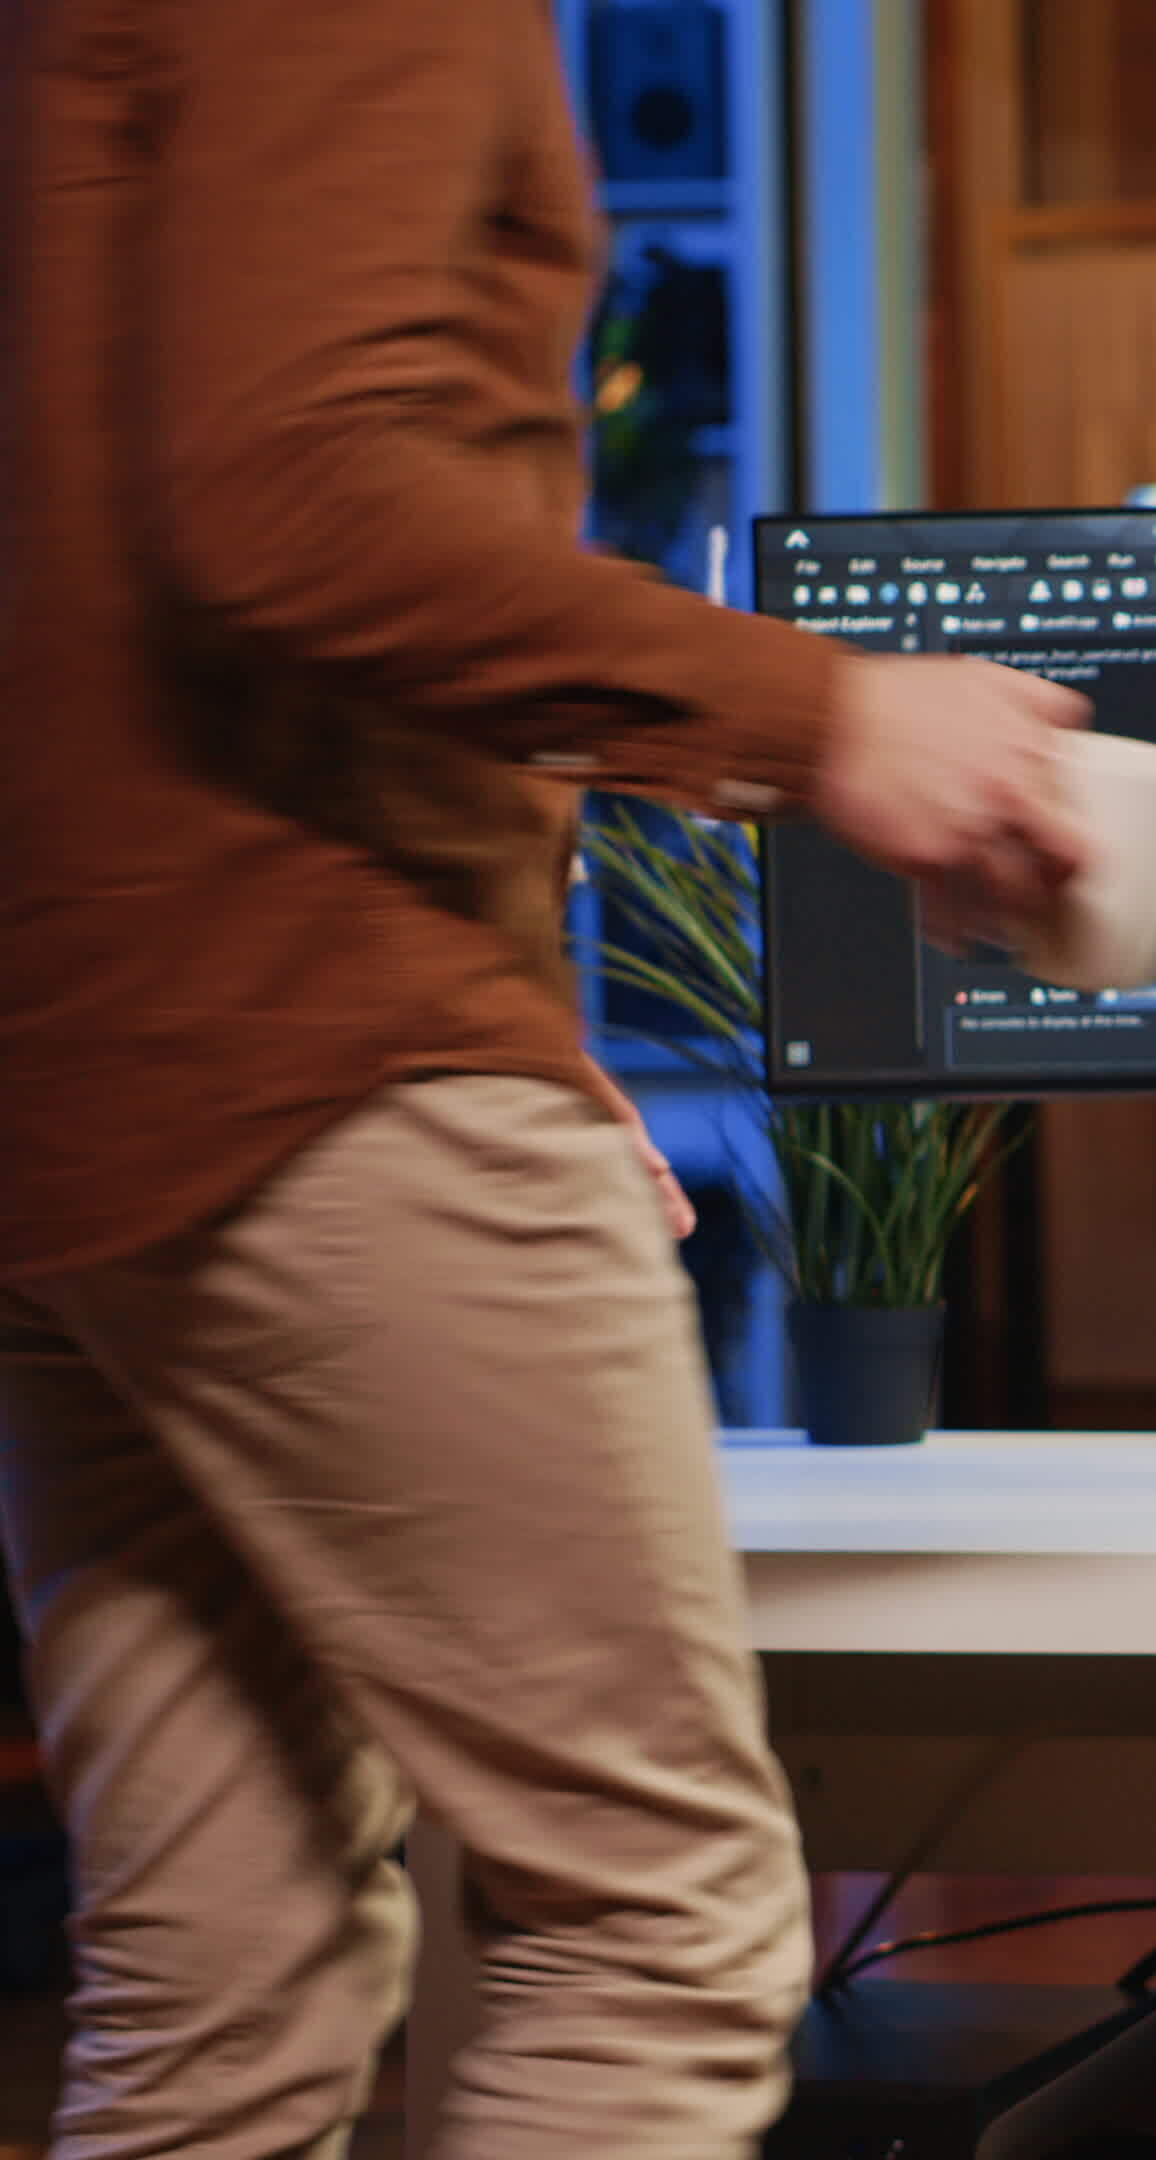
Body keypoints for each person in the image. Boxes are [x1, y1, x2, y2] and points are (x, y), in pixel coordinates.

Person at [0, 3, 1094, 2152]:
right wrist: (826, 721)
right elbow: (286, 495)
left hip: (93, 1069)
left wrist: (488, 1001)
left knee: (226, 1964)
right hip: (299, 1040)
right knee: (652, 1928)